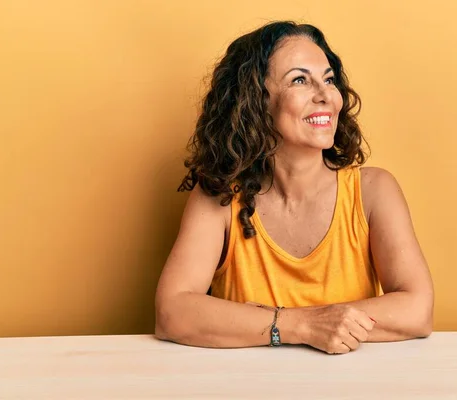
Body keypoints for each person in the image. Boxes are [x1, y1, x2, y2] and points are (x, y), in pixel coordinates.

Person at [154, 21, 434, 355]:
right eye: (300, 80)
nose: (325, 95)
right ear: (255, 102)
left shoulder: (374, 190)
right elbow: (173, 312)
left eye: (329, 80)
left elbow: (417, 310)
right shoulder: (219, 196)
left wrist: (271, 321)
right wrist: (303, 325)